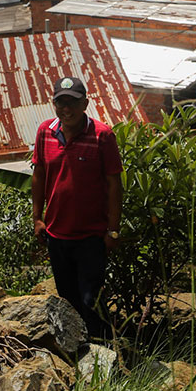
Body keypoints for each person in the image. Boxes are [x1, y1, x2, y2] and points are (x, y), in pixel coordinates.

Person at [32, 76, 123, 339]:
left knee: (90, 300)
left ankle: (103, 355)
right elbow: (38, 174)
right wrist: (37, 218)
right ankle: (76, 356)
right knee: (67, 300)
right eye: (61, 103)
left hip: (91, 237)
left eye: (72, 103)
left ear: (85, 103)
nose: (66, 110)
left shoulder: (102, 135)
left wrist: (113, 230)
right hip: (57, 235)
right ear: (54, 104)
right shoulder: (45, 132)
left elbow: (114, 184)